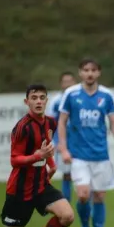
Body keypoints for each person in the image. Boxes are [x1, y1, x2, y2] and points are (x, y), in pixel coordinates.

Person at [0, 84, 75, 227]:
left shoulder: (51, 122)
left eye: (42, 97)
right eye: (34, 98)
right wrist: (37, 156)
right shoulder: (22, 127)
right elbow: (14, 159)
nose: (38, 101)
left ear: (47, 101)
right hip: (19, 190)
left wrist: (52, 165)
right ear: (26, 102)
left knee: (67, 216)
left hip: (41, 185)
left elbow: (47, 148)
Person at [57, 58, 114, 227]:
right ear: (80, 72)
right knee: (83, 194)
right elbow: (61, 122)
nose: (89, 73)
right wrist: (63, 148)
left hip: (101, 155)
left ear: (99, 73)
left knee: (99, 196)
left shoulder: (106, 95)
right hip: (79, 155)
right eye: (86, 70)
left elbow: (113, 123)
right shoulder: (71, 94)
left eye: (93, 70)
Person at [46, 71, 78, 202]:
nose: (68, 84)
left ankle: (87, 204)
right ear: (61, 84)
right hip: (65, 144)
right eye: (65, 81)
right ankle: (67, 203)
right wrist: (56, 142)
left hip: (81, 143)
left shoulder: (80, 97)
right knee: (67, 175)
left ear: (74, 82)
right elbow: (51, 124)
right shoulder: (56, 101)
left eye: (70, 81)